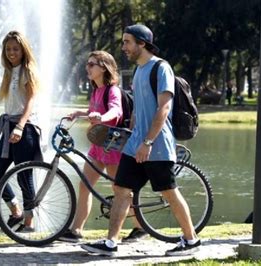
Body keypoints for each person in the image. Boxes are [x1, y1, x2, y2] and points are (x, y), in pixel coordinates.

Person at [81, 24, 201, 257]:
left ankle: (191, 240)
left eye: (127, 42)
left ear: (142, 43)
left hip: (157, 146)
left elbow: (164, 107)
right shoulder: (138, 71)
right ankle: (111, 242)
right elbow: (138, 110)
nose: (123, 47)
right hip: (135, 144)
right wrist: (131, 134)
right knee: (121, 189)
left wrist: (147, 142)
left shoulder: (161, 68)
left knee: (169, 192)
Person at [59, 51, 147, 243]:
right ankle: (76, 230)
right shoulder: (97, 90)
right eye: (87, 64)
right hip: (99, 147)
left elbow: (115, 111)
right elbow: (94, 111)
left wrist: (102, 118)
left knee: (121, 192)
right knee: (85, 185)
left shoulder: (112, 90)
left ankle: (140, 228)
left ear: (103, 67)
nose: (87, 68)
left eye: (92, 64)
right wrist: (79, 113)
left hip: (114, 147)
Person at [0, 31, 43, 232]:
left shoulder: (28, 70)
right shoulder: (9, 71)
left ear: (23, 50)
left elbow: (30, 102)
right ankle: (16, 211)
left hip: (25, 128)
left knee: (24, 176)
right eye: (8, 49)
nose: (11, 52)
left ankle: (29, 224)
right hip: (9, 127)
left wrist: (20, 126)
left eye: (15, 49)